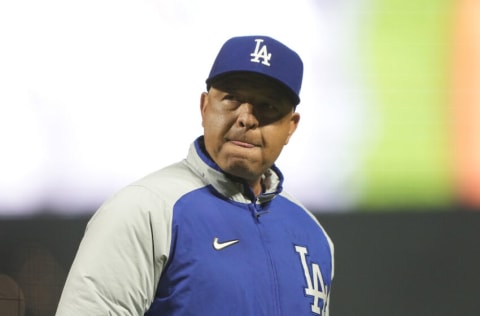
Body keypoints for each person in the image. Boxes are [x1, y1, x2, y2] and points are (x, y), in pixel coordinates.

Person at [56, 35, 334, 316]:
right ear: (204, 107)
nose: (246, 118)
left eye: (268, 106)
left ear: (291, 127)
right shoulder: (145, 209)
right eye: (232, 99)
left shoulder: (313, 234)